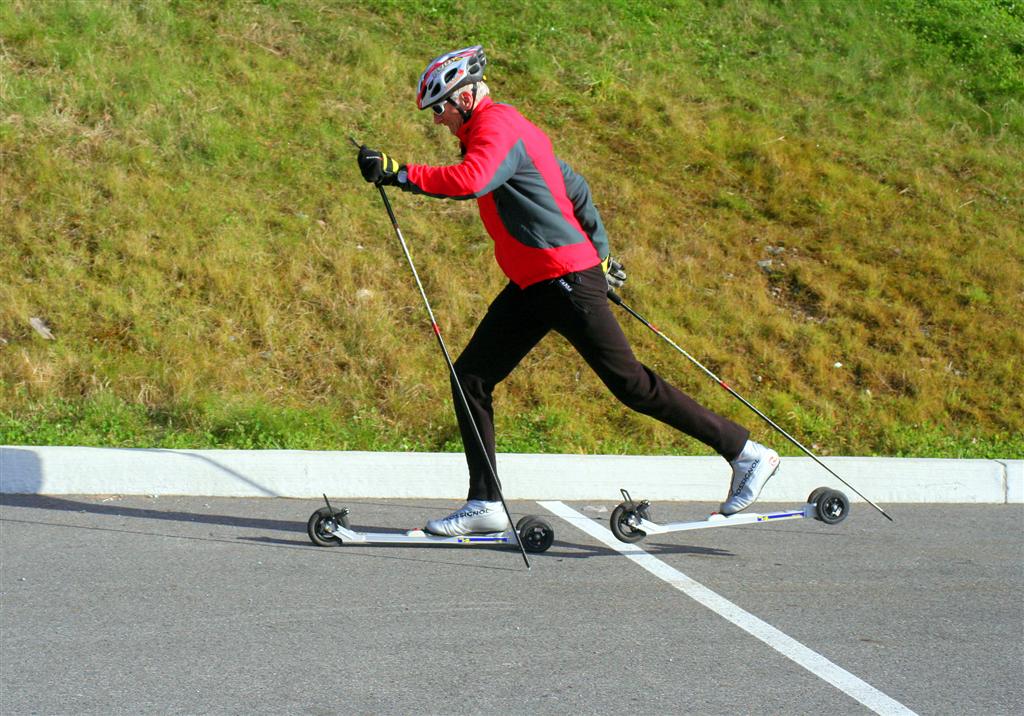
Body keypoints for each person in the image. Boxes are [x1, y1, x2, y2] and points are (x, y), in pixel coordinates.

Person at [357, 45, 780, 536]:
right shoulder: (503, 129)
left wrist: (399, 173)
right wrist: (598, 253)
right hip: (537, 282)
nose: (438, 120)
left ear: (467, 96)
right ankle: (485, 503)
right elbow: (573, 187)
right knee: (471, 376)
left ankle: (747, 454)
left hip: (561, 280)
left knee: (632, 386)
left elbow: (474, 181)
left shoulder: (497, 128)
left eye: (441, 108)